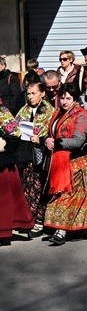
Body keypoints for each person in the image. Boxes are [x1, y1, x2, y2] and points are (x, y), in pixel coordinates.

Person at [43, 83, 87, 246]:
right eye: (62, 97)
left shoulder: (80, 114)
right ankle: (79, 229)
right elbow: (51, 132)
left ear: (75, 98)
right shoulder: (58, 113)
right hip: (63, 162)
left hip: (79, 163)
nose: (64, 101)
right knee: (70, 197)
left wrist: (57, 143)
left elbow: (78, 140)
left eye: (68, 98)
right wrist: (47, 139)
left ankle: (61, 231)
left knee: (70, 197)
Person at [14, 81, 55, 238]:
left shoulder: (49, 110)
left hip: (41, 155)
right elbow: (16, 127)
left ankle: (41, 221)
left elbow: (52, 131)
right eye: (29, 94)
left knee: (41, 189)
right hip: (25, 155)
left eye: (34, 93)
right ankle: (31, 219)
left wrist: (41, 138)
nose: (30, 97)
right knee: (28, 189)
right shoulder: (23, 110)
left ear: (42, 93)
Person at [0, 101, 32, 246]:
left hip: (1, 160)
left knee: (4, 199)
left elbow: (15, 133)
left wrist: (4, 143)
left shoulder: (2, 111)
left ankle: (3, 232)